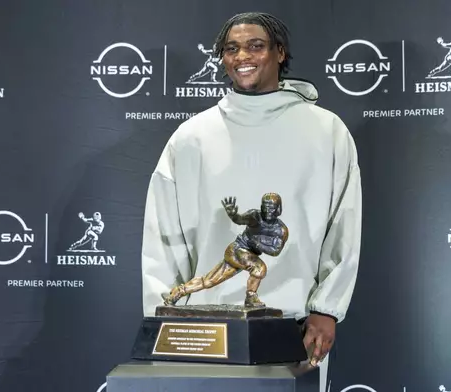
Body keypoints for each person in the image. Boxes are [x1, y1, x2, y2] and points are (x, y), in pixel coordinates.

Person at [141, 11, 362, 370]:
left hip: (295, 324)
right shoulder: (191, 137)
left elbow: (343, 226)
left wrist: (327, 309)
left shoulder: (327, 131)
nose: (242, 56)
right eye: (232, 49)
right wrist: (161, 316)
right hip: (202, 331)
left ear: (280, 53)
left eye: (255, 46)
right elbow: (163, 236)